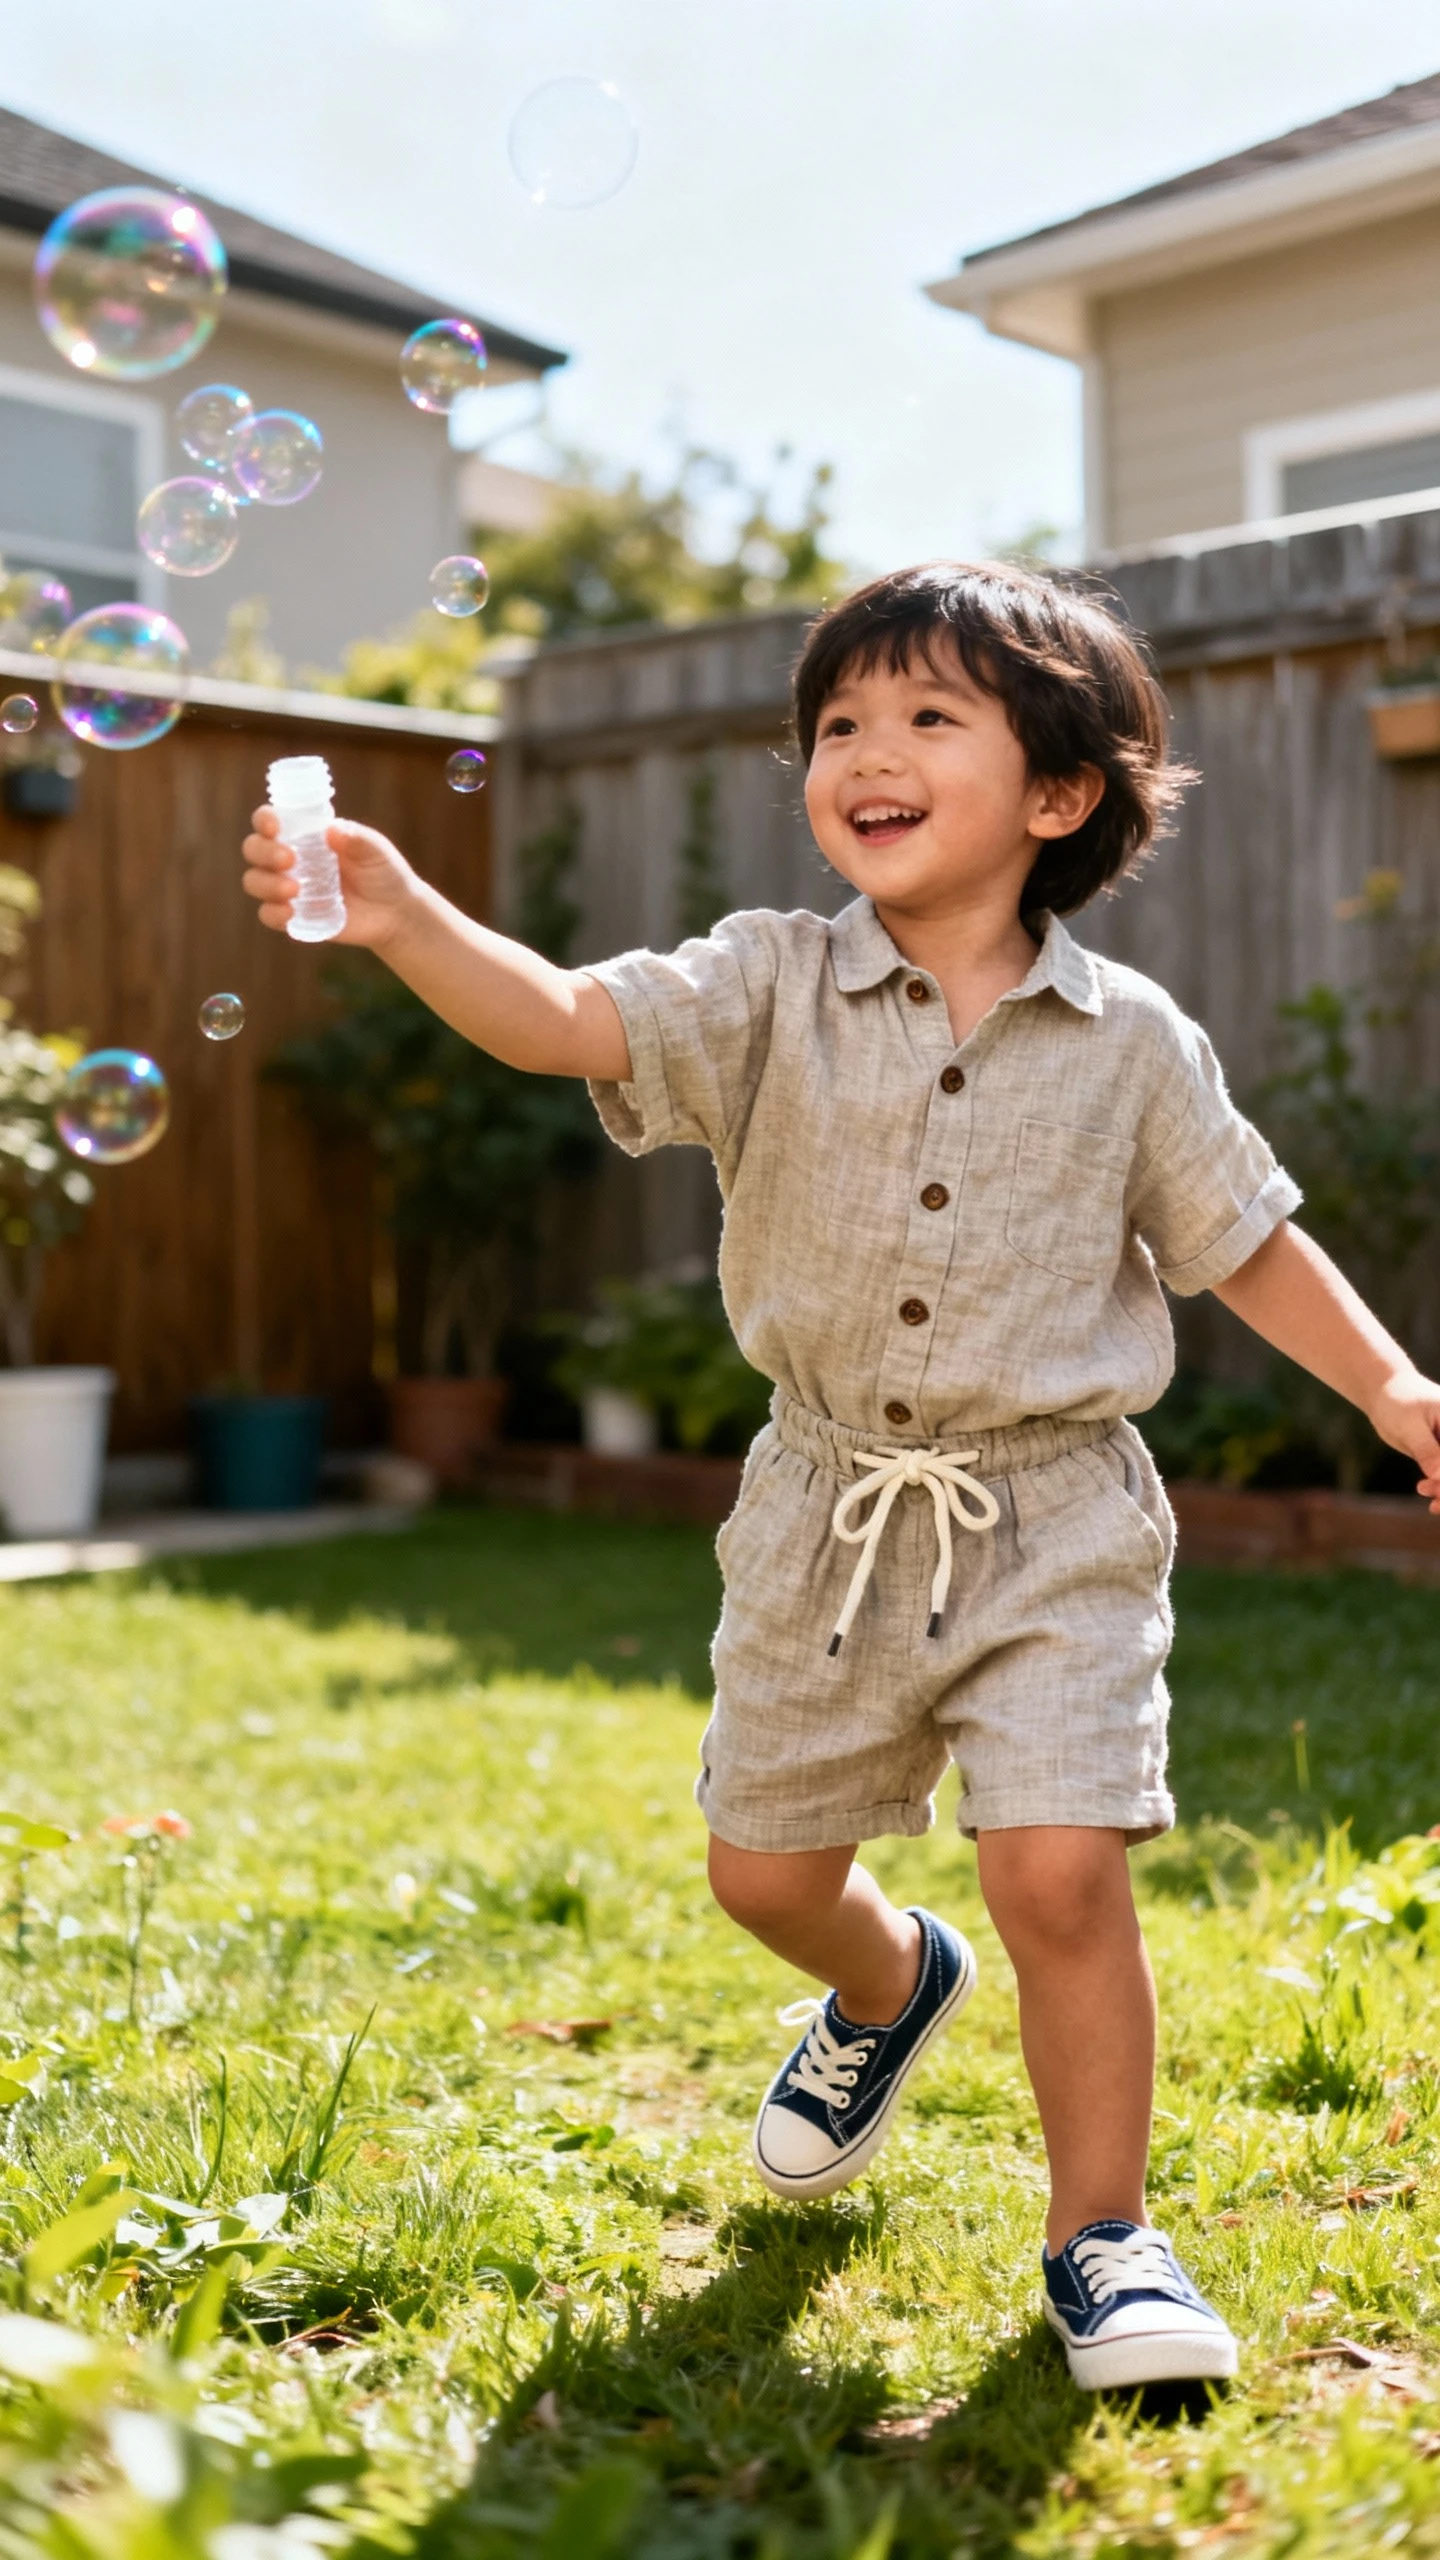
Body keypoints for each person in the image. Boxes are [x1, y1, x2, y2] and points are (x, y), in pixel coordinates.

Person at [241, 562, 1440, 2392]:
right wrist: (407, 919)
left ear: (1058, 794)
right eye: (837, 726)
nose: (863, 753)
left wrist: (1389, 1380)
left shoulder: (1137, 1047)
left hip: (1055, 1516)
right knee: (766, 1876)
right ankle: (888, 1987)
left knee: (1064, 1872)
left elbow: (1249, 1237)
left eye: (924, 719)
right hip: (824, 1511)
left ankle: (1103, 2238)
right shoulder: (762, 981)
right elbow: (567, 1016)